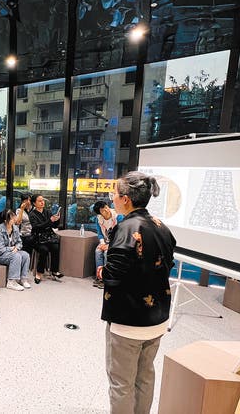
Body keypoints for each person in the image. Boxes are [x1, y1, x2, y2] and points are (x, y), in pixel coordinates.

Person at [99, 171, 176, 414]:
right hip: (158, 318)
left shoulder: (126, 227)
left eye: (114, 194)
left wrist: (102, 271)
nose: (112, 199)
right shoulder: (161, 226)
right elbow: (166, 264)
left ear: (126, 199)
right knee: (145, 377)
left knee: (121, 383)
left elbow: (114, 276)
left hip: (128, 321)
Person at [29, 194, 62, 283]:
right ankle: (39, 273)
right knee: (44, 250)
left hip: (48, 237)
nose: (42, 202)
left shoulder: (47, 212)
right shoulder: (32, 214)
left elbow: (54, 225)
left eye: (43, 200)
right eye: (39, 201)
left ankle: (54, 271)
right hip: (37, 238)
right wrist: (49, 221)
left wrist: (57, 219)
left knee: (56, 247)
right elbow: (36, 227)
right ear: (34, 203)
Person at [0, 209, 31, 291]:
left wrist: (17, 247)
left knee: (25, 255)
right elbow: (0, 249)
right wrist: (12, 248)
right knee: (16, 256)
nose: (14, 219)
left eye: (14, 216)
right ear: (5, 220)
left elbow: (19, 242)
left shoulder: (15, 228)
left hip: (13, 252)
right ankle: (11, 281)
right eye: (12, 218)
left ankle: (23, 279)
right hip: (1, 256)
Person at [92, 200, 118, 290]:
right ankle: (99, 277)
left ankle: (107, 278)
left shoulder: (118, 216)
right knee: (98, 251)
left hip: (117, 242)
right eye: (103, 210)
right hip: (105, 241)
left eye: (106, 207)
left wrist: (109, 245)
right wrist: (102, 244)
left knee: (107, 252)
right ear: (99, 213)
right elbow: (99, 233)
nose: (106, 210)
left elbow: (121, 234)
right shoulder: (98, 219)